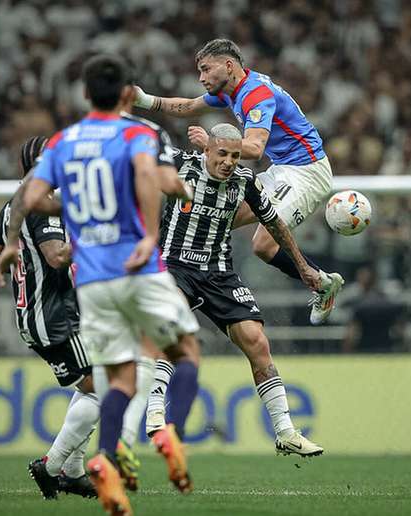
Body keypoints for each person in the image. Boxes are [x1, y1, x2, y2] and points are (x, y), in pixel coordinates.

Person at [0, 55, 200, 515]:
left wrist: (9, 244)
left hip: (91, 285)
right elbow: (160, 180)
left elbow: (27, 196)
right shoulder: (139, 134)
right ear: (128, 94)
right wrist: (165, 211)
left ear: (84, 94)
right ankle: (170, 432)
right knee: (181, 350)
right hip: (133, 266)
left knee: (114, 375)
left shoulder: (66, 141)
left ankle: (106, 455)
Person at [133, 38, 344, 326]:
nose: (201, 77)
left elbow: (255, 149)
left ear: (229, 65)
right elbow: (189, 106)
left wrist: (212, 143)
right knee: (216, 219)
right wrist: (144, 100)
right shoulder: (231, 90)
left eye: (206, 69)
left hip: (305, 172)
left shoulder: (255, 94)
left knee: (262, 245)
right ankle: (195, 283)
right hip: (282, 169)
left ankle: (321, 282)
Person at [145, 123, 324, 457]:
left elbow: (275, 224)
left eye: (235, 155)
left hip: (219, 272)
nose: (228, 161)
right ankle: (155, 408)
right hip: (174, 265)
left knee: (257, 341)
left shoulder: (244, 181)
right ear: (208, 150)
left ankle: (286, 432)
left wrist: (302, 266)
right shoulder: (181, 164)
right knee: (172, 325)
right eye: (222, 154)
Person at [0, 136, 98, 501]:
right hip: (53, 317)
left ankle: (72, 470)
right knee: (107, 388)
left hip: (39, 313)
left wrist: (11, 272)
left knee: (94, 384)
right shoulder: (40, 205)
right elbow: (56, 256)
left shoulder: (12, 205)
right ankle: (52, 467)